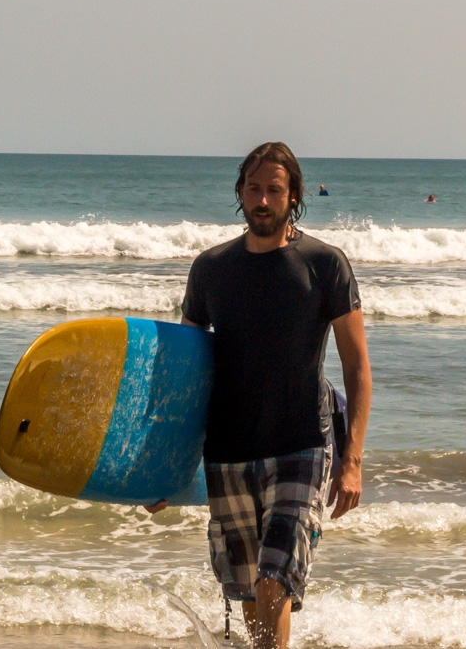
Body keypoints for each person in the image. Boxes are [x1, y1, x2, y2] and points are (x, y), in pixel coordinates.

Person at [148, 142, 371, 649]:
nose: (263, 200)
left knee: (275, 580)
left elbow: (357, 367)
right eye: (254, 189)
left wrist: (352, 458)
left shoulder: (324, 264)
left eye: (275, 189)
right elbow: (187, 375)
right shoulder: (211, 268)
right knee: (251, 590)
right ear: (240, 193)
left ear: (294, 196)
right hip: (227, 451)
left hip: (303, 445)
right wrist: (165, 468)